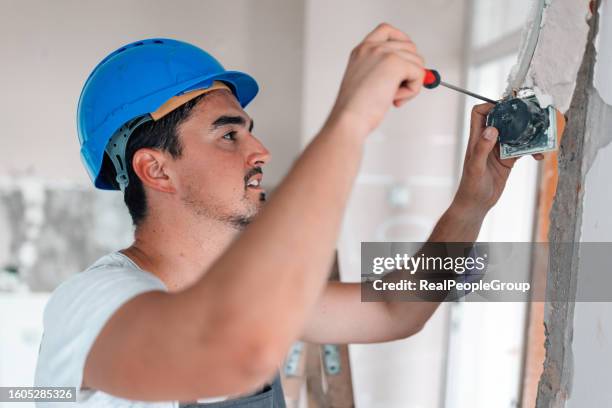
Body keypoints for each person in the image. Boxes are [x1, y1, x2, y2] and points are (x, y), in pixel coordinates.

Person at [34, 23, 537, 407]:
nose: (260, 151)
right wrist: (350, 119)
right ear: (156, 170)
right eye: (229, 135)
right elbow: (233, 346)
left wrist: (474, 200)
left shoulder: (247, 299)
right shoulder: (92, 305)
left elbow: (397, 310)